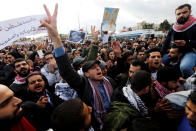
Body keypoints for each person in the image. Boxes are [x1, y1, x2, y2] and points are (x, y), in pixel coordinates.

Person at [40, 4, 116, 129]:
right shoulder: (84, 85)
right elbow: (67, 71)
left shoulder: (110, 81)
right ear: (86, 74)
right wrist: (55, 38)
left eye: (99, 66)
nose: (98, 68)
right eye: (93, 68)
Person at [161, 3, 196, 78]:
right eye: (178, 13)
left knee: (185, 67)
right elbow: (166, 42)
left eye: (184, 12)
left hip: (191, 52)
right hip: (175, 53)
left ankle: (191, 84)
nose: (181, 15)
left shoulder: (195, 24)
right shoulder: (173, 28)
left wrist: (187, 43)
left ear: (190, 12)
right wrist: (160, 54)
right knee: (160, 62)